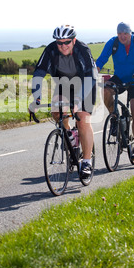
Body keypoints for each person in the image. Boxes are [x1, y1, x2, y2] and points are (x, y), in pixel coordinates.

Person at [29, 24, 97, 178]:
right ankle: (70, 135)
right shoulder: (51, 49)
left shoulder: (83, 49)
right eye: (60, 43)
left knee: (83, 119)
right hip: (63, 85)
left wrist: (79, 100)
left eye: (67, 42)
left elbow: (91, 75)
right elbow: (39, 72)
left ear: (74, 40)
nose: (63, 46)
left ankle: (86, 161)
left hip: (85, 85)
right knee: (56, 112)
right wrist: (36, 97)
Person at [96, 22, 134, 161]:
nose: (122, 36)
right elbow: (101, 60)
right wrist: (92, 75)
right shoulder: (112, 43)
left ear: (130, 33)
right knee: (106, 91)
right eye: (120, 33)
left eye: (125, 33)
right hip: (119, 77)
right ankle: (114, 117)